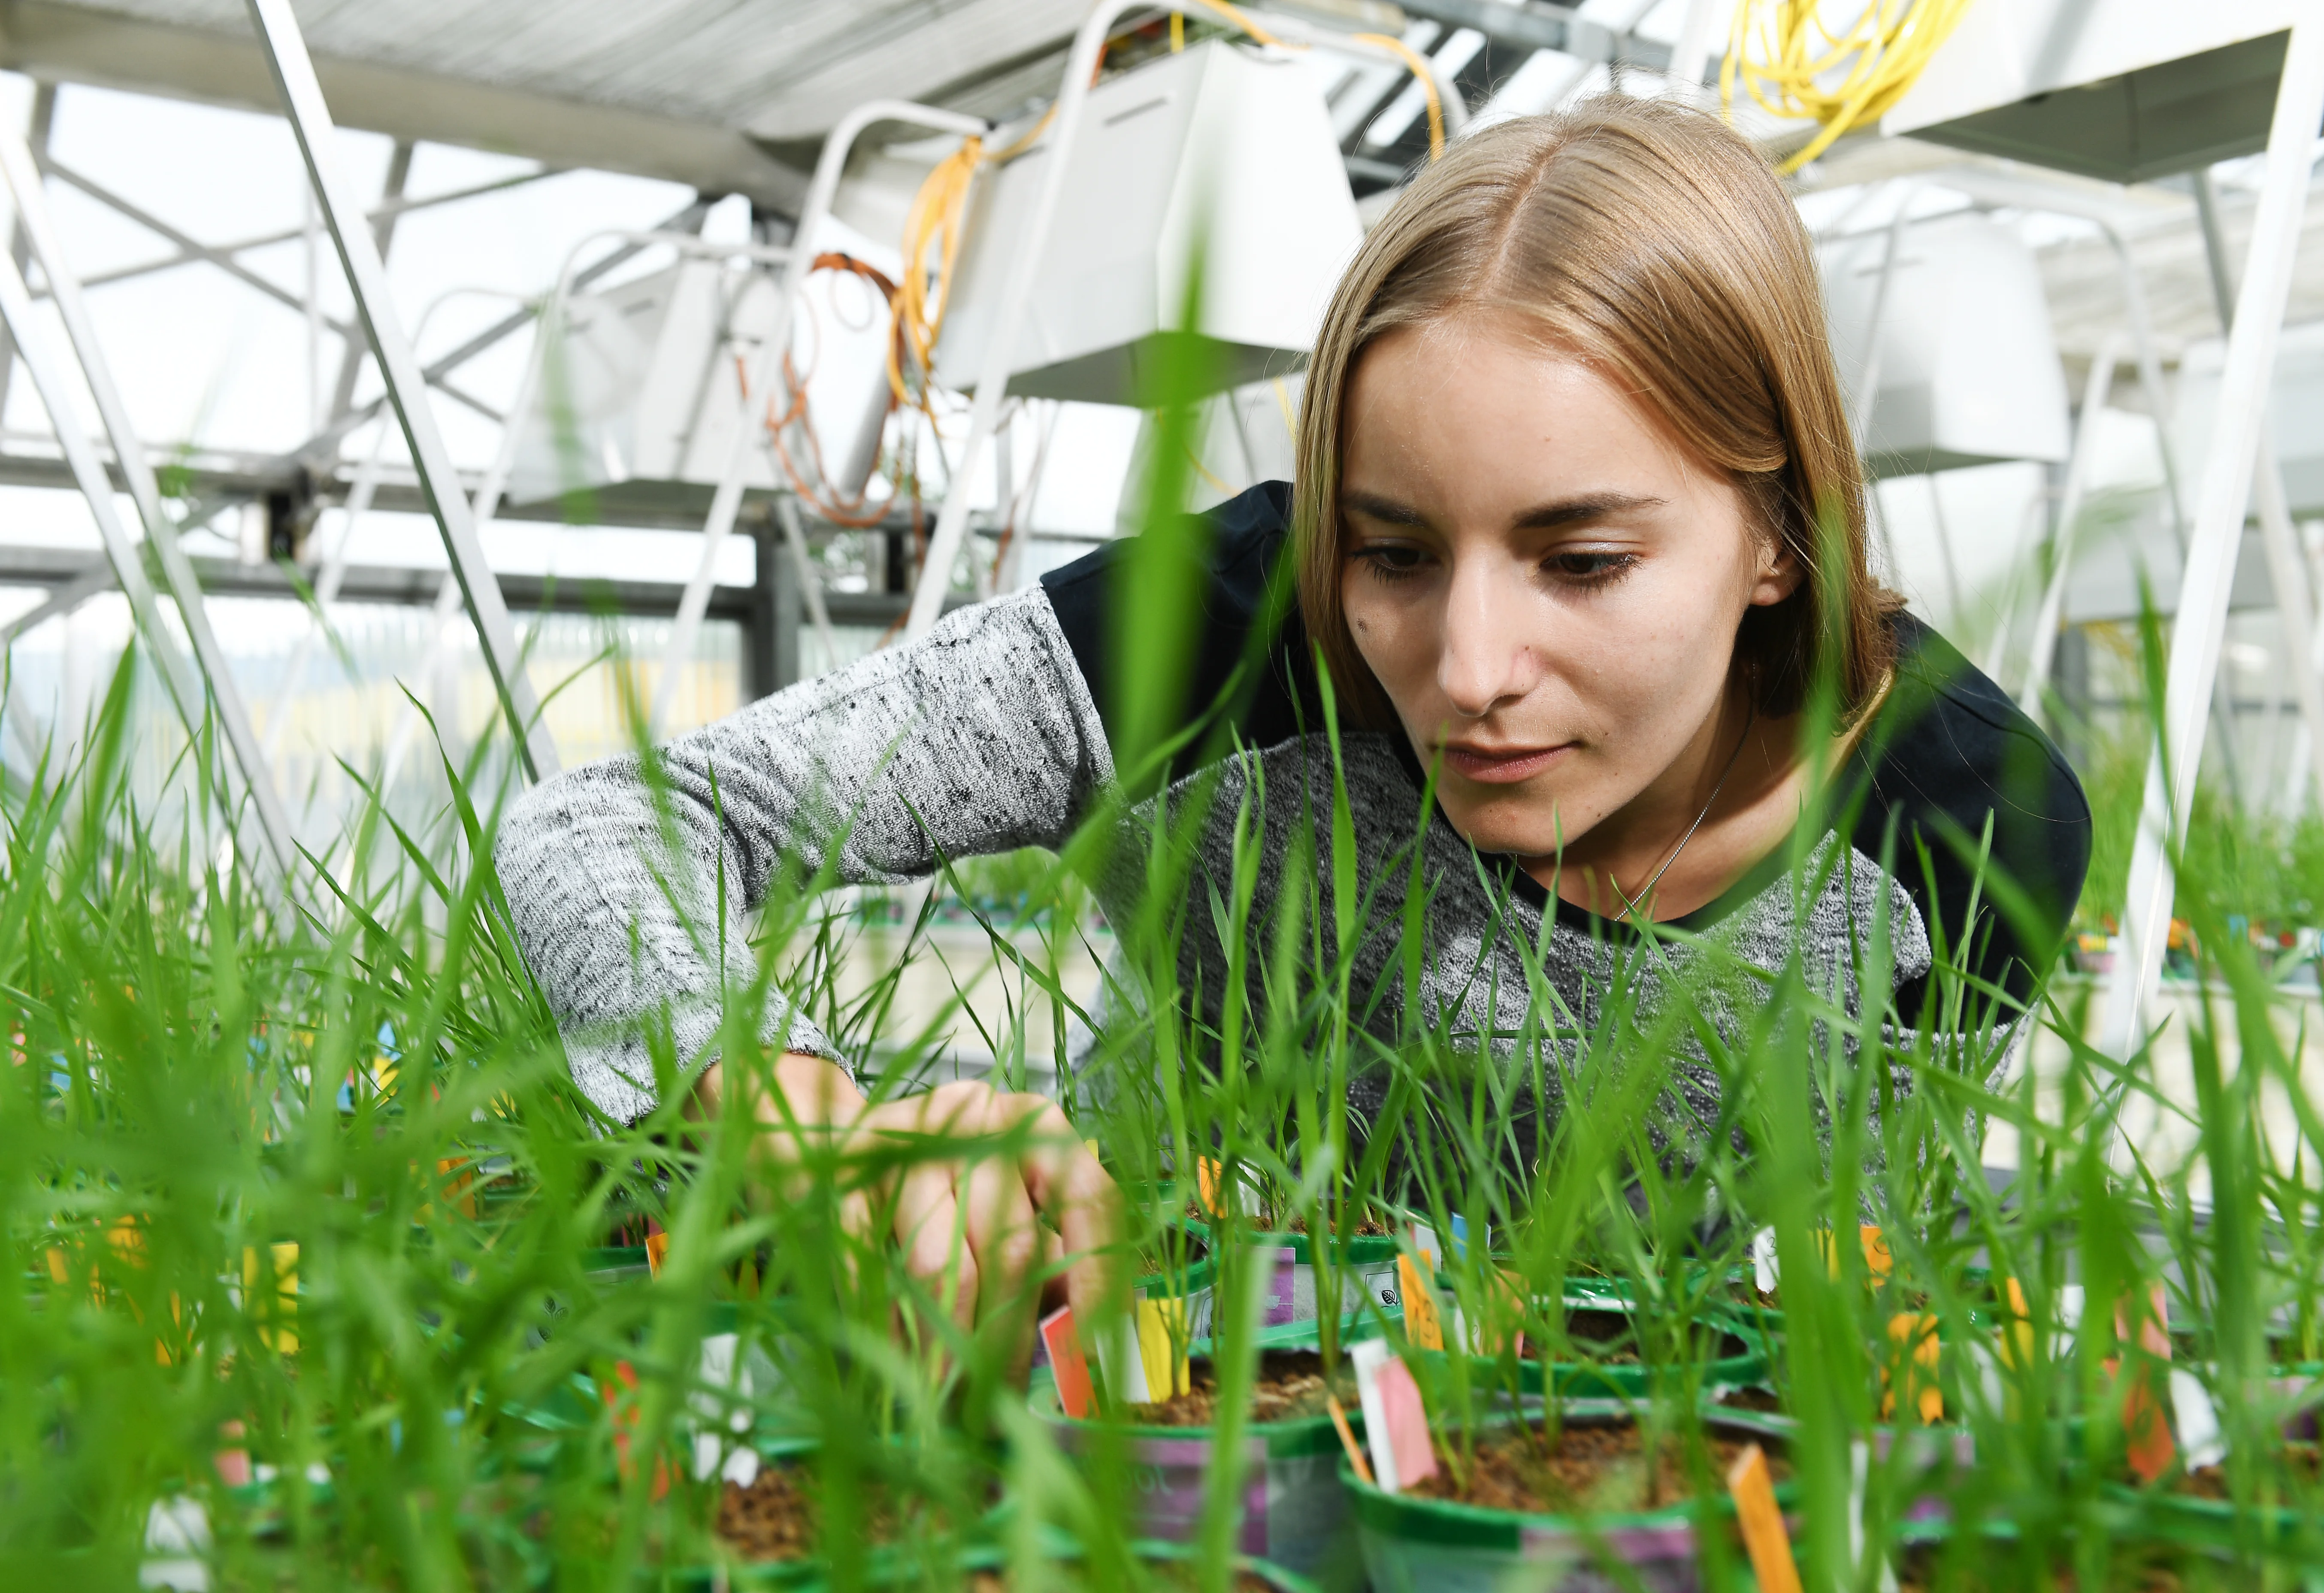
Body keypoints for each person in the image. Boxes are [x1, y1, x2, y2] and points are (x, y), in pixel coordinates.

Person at [496, 94, 2090, 1345]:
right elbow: (607, 824)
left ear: (1774, 534)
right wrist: (803, 1115)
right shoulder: (1228, 624)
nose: (1468, 665)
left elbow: (1839, 1290)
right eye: (1391, 551)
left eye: (1583, 560)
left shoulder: (1966, 824)